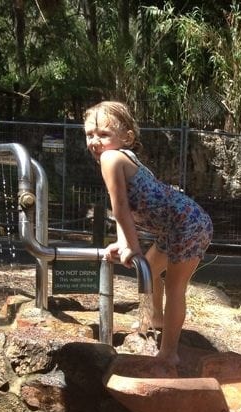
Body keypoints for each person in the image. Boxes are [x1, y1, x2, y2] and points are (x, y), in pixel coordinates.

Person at [83, 100, 212, 370]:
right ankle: (156, 319)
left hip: (188, 224)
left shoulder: (111, 157)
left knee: (176, 287)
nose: (95, 141)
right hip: (178, 224)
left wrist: (133, 246)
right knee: (150, 271)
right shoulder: (120, 158)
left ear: (126, 137)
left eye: (103, 135)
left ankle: (169, 353)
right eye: (89, 134)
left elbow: (119, 208)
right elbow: (123, 207)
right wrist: (123, 242)